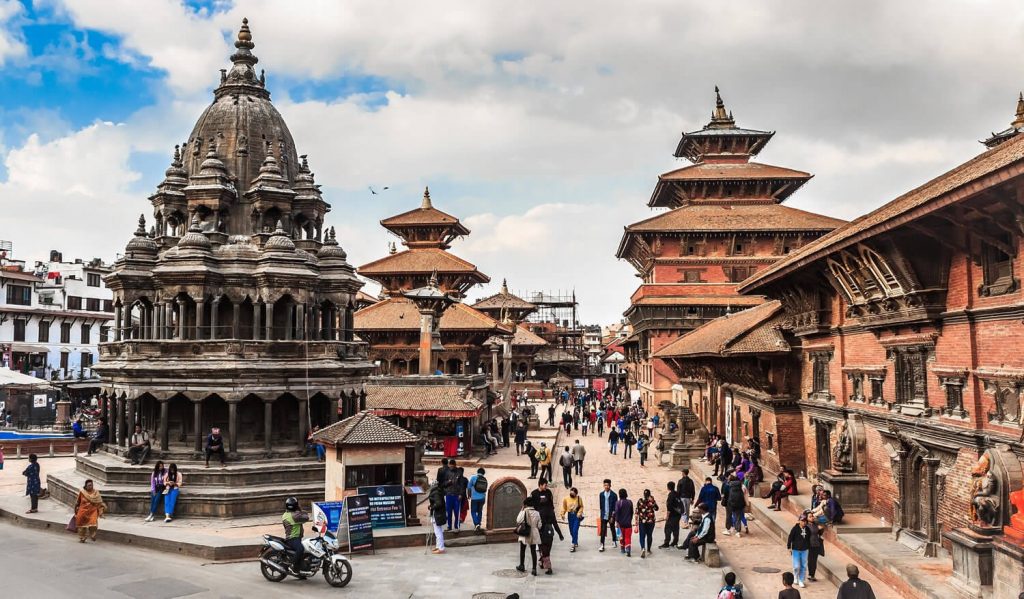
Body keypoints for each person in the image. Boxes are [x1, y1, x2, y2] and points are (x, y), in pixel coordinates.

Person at [530, 478, 563, 575]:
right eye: (545, 485)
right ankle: (543, 562)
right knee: (544, 549)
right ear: (540, 485)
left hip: (545, 529)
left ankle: (547, 565)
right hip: (543, 528)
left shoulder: (548, 493)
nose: (546, 487)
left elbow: (554, 520)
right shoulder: (534, 494)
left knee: (544, 548)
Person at [282, 496, 310, 575]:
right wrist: (301, 510)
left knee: (304, 551)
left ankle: (301, 571)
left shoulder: (285, 514)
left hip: (294, 537)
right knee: (300, 549)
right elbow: (306, 517)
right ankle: (293, 566)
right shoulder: (295, 516)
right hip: (292, 538)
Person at [516, 497, 542, 575]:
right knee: (533, 551)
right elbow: (540, 525)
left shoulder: (524, 511)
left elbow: (518, 520)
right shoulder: (537, 513)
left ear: (525, 504)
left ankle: (522, 565)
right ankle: (534, 569)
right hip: (534, 532)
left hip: (525, 532)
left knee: (522, 549)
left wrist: (521, 510)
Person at [787, 513, 811, 588]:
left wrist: (808, 546)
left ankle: (801, 580)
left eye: (805, 521)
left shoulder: (807, 529)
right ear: (799, 521)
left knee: (803, 565)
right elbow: (790, 537)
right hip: (796, 550)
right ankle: (795, 576)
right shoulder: (795, 529)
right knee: (797, 566)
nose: (804, 522)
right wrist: (789, 547)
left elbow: (809, 538)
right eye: (802, 521)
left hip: (804, 550)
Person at [635, 488, 658, 558]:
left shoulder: (640, 500)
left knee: (642, 535)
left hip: (642, 521)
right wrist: (653, 501)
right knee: (649, 535)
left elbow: (636, 511)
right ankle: (648, 549)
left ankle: (643, 548)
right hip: (651, 521)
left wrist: (636, 522)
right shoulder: (652, 501)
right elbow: (656, 508)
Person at [561, 486, 584, 552]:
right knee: (571, 530)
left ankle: (573, 544)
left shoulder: (579, 499)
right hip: (570, 515)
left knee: (575, 530)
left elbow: (581, 506)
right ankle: (575, 540)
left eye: (573, 494)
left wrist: (579, 512)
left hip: (576, 516)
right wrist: (562, 514)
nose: (572, 495)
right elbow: (564, 507)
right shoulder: (566, 499)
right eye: (571, 493)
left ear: (576, 494)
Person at [598, 478, 618, 551]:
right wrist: (601, 514)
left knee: (612, 528)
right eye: (605, 485)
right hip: (604, 515)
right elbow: (601, 506)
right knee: (603, 530)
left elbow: (615, 507)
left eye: (607, 485)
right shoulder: (601, 494)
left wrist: (613, 516)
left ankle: (614, 540)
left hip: (611, 515)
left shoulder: (614, 495)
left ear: (610, 486)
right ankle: (602, 544)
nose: (606, 486)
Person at [660, 480, 681, 548]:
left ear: (668, 487)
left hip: (672, 515)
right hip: (678, 514)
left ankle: (666, 543)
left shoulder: (671, 495)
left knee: (667, 529)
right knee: (676, 528)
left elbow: (669, 507)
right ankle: (675, 542)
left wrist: (667, 516)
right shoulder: (677, 493)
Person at [614, 488, 634, 557]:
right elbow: (632, 512)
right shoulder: (630, 502)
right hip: (628, 523)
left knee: (621, 537)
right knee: (628, 537)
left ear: (619, 495)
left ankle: (622, 549)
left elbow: (617, 513)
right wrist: (630, 520)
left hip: (620, 524)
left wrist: (616, 521)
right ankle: (628, 549)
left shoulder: (618, 503)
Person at [428, 481, 447, 554]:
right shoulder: (438, 491)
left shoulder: (436, 493)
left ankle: (441, 548)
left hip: (437, 514)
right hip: (438, 513)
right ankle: (438, 546)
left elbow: (438, 503)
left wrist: (432, 507)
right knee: (437, 531)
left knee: (438, 532)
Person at [444, 459, 461, 531]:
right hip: (448, 494)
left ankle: (456, 526)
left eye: (452, 466)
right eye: (450, 466)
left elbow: (462, 484)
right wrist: (448, 482)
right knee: (449, 511)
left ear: (455, 465)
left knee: (457, 512)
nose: (451, 467)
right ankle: (449, 526)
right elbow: (444, 484)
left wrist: (461, 493)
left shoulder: (459, 473)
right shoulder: (447, 473)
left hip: (457, 495)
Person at [807, 514, 824, 582]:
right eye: (810, 517)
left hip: (816, 544)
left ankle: (812, 575)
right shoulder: (806, 526)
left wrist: (821, 529)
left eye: (812, 516)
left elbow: (820, 533)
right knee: (810, 560)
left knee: (814, 561)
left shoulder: (816, 524)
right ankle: (810, 574)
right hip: (809, 545)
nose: (812, 518)